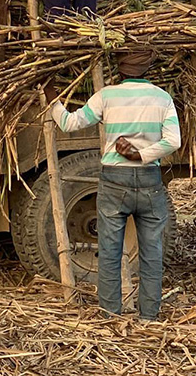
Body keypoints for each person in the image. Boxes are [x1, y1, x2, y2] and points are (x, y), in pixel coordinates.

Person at [49, 49, 181, 320]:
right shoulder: (162, 98)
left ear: (120, 71)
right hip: (149, 180)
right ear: (147, 70)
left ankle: (110, 315)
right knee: (152, 252)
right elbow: (173, 141)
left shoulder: (106, 96)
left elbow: (69, 123)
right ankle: (148, 317)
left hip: (114, 181)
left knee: (110, 251)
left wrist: (52, 97)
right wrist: (141, 155)